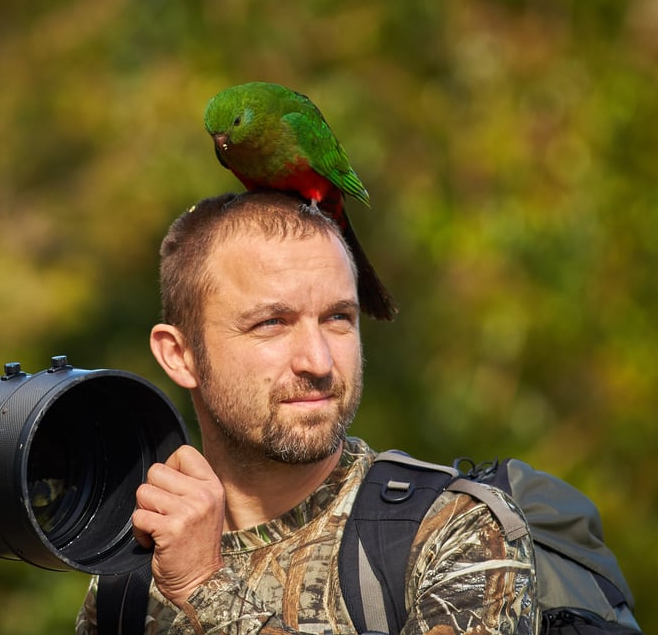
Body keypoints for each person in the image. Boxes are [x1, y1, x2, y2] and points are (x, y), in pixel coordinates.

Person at [76, 190, 538, 635]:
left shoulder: (453, 532)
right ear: (180, 355)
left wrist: (202, 587)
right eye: (271, 324)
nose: (318, 362)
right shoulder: (130, 577)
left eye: (338, 318)